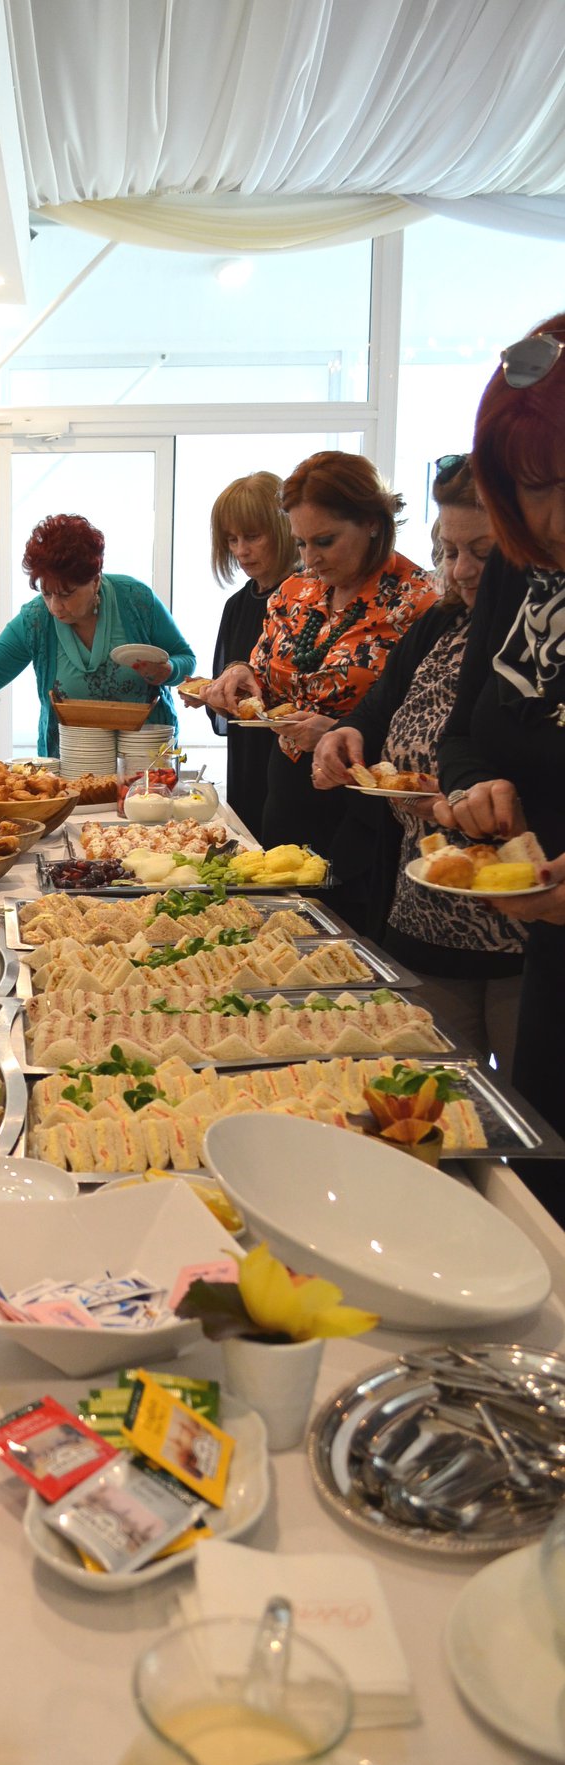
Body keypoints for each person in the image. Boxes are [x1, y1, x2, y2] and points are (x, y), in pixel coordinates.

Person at [310, 456, 524, 1069]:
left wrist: (458, 798)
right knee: (429, 1094)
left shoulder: (535, 638)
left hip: (520, 926)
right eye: (450, 551)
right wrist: (345, 735)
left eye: (483, 553)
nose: (462, 570)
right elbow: (377, 709)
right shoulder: (443, 621)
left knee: (528, 1112)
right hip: (423, 909)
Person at [432, 315, 565, 1221]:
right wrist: (475, 784)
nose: (540, 519)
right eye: (521, 488)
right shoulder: (525, 568)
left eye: (555, 484)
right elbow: (465, 731)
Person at [202, 452, 438, 864]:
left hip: (368, 815)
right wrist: (240, 674)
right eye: (301, 543)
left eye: (324, 541)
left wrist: (339, 731)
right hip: (286, 798)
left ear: (372, 523)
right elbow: (266, 680)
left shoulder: (418, 603)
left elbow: (432, 735)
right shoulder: (296, 590)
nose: (310, 558)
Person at [0, 513, 194, 758]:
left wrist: (169, 671)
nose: (55, 607)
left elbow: (186, 660)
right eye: (46, 593)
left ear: (95, 580)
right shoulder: (35, 620)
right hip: (68, 765)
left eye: (66, 594)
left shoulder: (136, 600)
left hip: (146, 764)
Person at [182, 471, 297, 838]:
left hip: (294, 764)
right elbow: (235, 707)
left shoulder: (309, 599)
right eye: (232, 539)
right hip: (247, 759)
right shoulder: (236, 605)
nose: (241, 550)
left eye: (252, 536)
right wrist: (212, 694)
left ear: (284, 529)